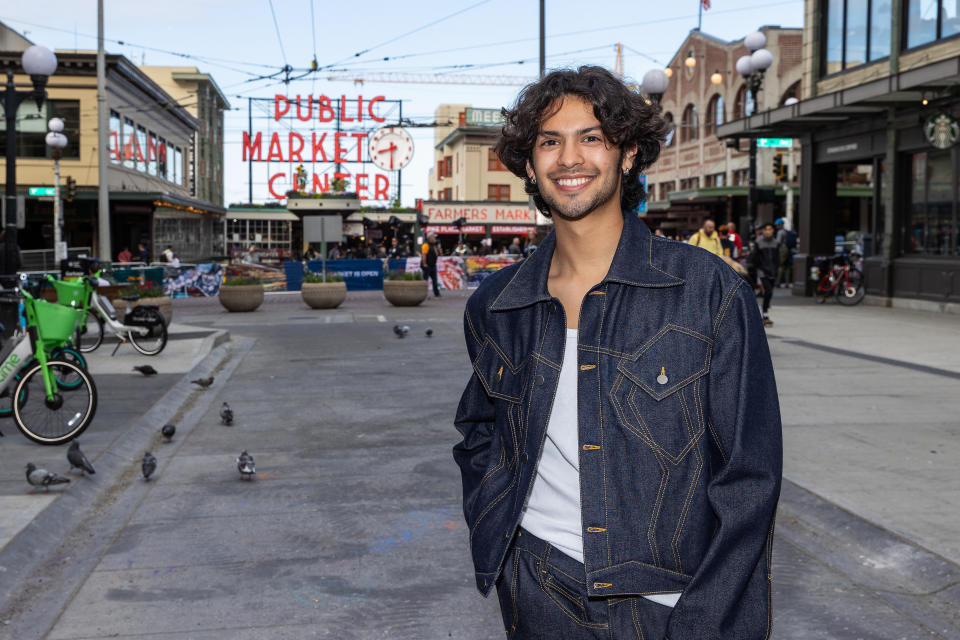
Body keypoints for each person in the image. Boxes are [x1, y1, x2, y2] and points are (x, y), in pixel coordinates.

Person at [454, 66, 782, 640]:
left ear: (627, 154)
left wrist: (706, 620)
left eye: (592, 138)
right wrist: (504, 550)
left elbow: (750, 478)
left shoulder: (707, 292)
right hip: (540, 587)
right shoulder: (498, 304)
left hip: (670, 602)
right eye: (549, 142)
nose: (569, 158)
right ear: (530, 165)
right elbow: (481, 434)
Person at [750, 222, 780, 327]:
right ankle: (765, 313)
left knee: (769, 293)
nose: (768, 231)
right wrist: (758, 269)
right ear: (763, 231)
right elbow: (755, 257)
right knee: (768, 291)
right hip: (762, 271)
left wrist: (776, 269)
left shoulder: (776, 243)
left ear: (773, 231)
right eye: (766, 229)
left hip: (773, 271)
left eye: (770, 229)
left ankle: (765, 310)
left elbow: (777, 258)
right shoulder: (758, 242)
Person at [421, 233, 440, 297]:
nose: (435, 238)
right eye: (433, 237)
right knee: (425, 280)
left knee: (435, 280)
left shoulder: (434, 245)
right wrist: (424, 264)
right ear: (430, 238)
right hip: (427, 266)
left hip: (433, 265)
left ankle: (436, 293)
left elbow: (437, 254)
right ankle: (422, 293)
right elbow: (424, 255)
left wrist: (436, 246)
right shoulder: (426, 245)